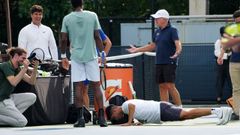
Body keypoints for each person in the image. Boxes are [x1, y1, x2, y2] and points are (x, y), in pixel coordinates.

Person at [60, 0, 107, 127]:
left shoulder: (67, 18)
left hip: (76, 57)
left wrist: (63, 56)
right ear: (82, 3)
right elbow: (97, 36)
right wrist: (103, 54)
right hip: (91, 56)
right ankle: (102, 118)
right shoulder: (92, 16)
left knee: (78, 87)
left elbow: (64, 39)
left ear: (71, 4)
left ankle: (80, 118)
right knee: (96, 86)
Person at [126, 9, 182, 107]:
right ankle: (165, 108)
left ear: (165, 19)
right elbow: (153, 46)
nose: (155, 20)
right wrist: (137, 50)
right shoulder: (157, 32)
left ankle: (179, 107)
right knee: (161, 85)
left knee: (170, 85)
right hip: (159, 62)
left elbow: (178, 43)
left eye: (157, 18)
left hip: (170, 62)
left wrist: (178, 51)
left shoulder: (173, 30)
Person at [106, 99, 233, 126]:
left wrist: (129, 122)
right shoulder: (127, 109)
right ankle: (218, 112)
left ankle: (218, 111)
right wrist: (138, 121)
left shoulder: (124, 106)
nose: (116, 118)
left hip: (160, 110)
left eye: (114, 117)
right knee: (185, 116)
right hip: (160, 110)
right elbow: (140, 109)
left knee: (186, 114)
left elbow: (132, 106)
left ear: (114, 110)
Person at [0, 47, 39, 127]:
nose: (25, 60)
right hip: (1, 100)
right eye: (23, 58)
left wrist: (35, 69)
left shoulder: (17, 68)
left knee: (32, 96)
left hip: (8, 98)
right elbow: (13, 82)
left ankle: (14, 117)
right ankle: (16, 119)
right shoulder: (6, 65)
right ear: (16, 56)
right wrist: (25, 68)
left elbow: (31, 82)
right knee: (22, 122)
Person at [218, 9, 240, 119]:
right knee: (236, 88)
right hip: (234, 62)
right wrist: (221, 55)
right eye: (236, 22)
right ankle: (237, 112)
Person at [82, 29, 112, 109]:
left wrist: (103, 57)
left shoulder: (96, 28)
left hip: (95, 63)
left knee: (98, 88)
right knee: (84, 90)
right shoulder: (78, 29)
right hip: (83, 63)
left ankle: (101, 113)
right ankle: (87, 115)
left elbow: (108, 43)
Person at [214, 26, 232, 104]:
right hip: (221, 63)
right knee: (220, 80)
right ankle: (218, 98)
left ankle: (233, 98)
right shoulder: (218, 41)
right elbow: (216, 53)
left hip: (230, 63)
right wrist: (226, 55)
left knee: (231, 80)